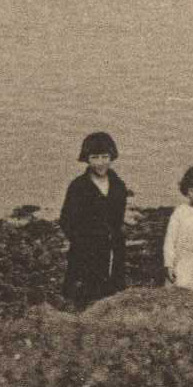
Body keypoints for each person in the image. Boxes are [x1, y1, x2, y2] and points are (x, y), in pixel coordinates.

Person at [60, 131, 130, 308]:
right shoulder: (78, 187)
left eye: (105, 156)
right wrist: (82, 240)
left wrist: (115, 236)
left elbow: (118, 217)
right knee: (84, 293)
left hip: (113, 247)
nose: (100, 162)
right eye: (95, 157)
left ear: (112, 157)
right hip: (85, 249)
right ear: (87, 159)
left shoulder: (118, 186)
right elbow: (66, 220)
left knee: (113, 290)